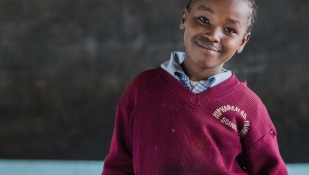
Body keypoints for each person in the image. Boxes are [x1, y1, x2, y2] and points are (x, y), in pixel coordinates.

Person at [102, 0, 288, 174]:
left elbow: (272, 170)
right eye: (203, 20)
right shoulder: (142, 89)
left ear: (243, 41)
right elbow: (119, 165)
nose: (213, 35)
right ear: (184, 18)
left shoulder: (249, 106)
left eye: (229, 30)